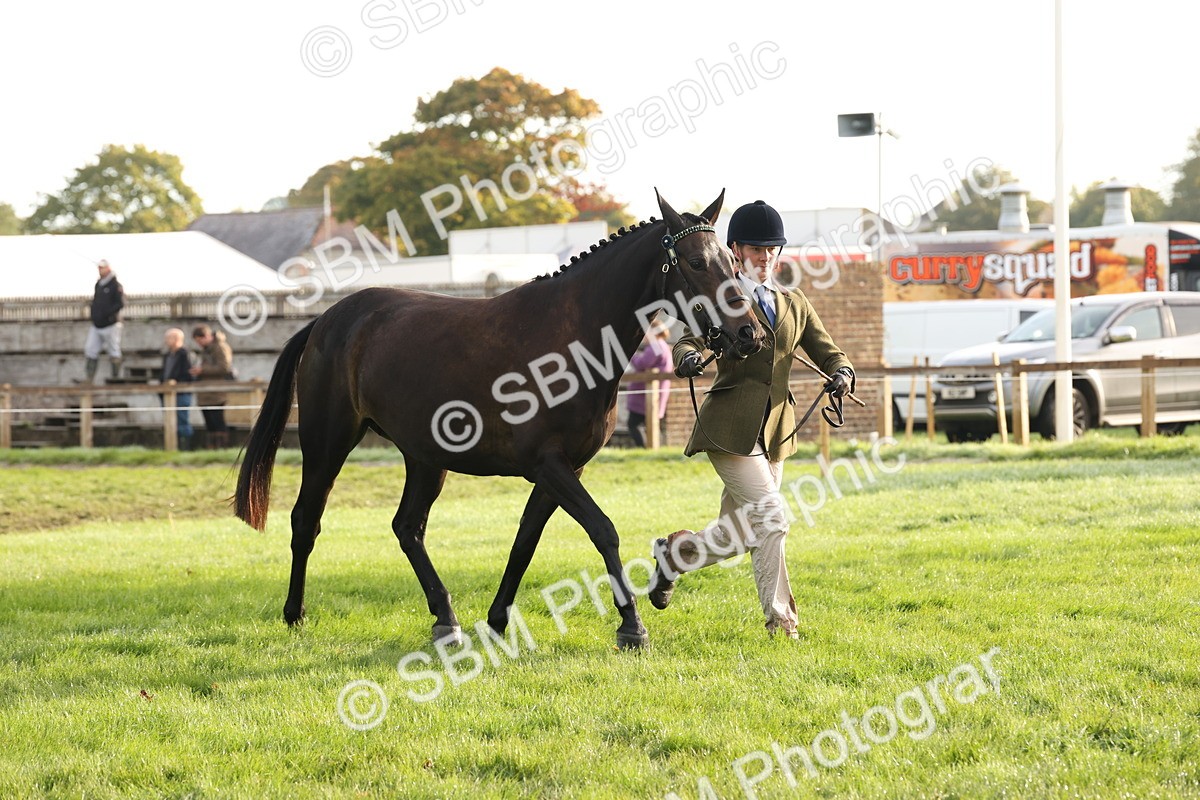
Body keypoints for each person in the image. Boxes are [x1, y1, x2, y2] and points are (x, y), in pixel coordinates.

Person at [647, 200, 855, 639]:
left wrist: (842, 372)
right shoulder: (722, 298)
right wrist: (687, 359)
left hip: (776, 433)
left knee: (742, 533)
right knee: (773, 517)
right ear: (736, 250)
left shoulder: (794, 303)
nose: (765, 257)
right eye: (756, 249)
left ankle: (676, 556)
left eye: (772, 249)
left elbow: (828, 350)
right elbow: (685, 340)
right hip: (727, 430)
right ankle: (782, 622)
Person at [626, 319, 674, 447]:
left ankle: (644, 449)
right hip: (652, 394)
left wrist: (630, 354)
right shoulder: (662, 345)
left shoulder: (656, 346)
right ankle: (650, 449)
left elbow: (642, 364)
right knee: (648, 425)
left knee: (634, 424)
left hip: (647, 396)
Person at [189, 324, 235, 448]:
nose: (199, 343)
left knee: (218, 422)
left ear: (207, 336)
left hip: (217, 392)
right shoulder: (206, 349)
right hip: (205, 392)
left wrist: (202, 370)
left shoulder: (220, 347)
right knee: (210, 423)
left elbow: (224, 367)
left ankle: (221, 449)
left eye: (200, 340)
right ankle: (212, 449)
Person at [83, 259, 124, 383]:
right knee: (90, 349)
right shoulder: (98, 284)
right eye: (99, 268)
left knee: (114, 349)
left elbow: (120, 303)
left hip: (110, 324)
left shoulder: (115, 285)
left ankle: (115, 377)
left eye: (103, 268)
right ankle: (89, 378)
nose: (100, 270)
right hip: (97, 324)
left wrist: (107, 314)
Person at [160, 328, 195, 451]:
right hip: (168, 392)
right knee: (170, 421)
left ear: (176, 339)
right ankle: (173, 448)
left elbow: (188, 375)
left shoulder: (185, 354)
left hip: (182, 392)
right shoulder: (167, 355)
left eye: (168, 338)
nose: (166, 341)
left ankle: (185, 448)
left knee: (182, 420)